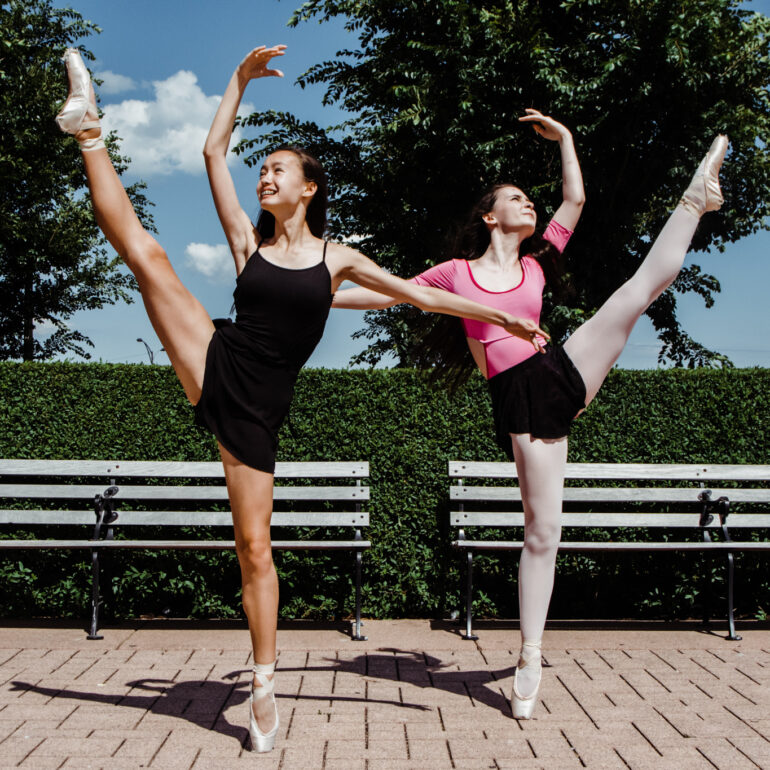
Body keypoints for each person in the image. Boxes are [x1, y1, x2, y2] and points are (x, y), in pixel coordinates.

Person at [55, 44, 555, 751]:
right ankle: (88, 130)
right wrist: (236, 80)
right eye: (261, 170)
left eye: (277, 169)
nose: (264, 176)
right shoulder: (245, 244)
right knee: (150, 257)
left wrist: (502, 316)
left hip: (260, 412)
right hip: (217, 357)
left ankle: (263, 679)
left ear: (309, 188)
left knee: (254, 548)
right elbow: (209, 151)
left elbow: (418, 294)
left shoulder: (336, 258)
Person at [333, 110, 728, 719]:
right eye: (516, 199)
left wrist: (566, 137)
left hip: (559, 372)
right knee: (543, 531)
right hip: (517, 395)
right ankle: (529, 653)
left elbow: (576, 197)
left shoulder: (540, 261)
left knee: (637, 290)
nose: (531, 206)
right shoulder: (455, 275)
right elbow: (387, 293)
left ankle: (694, 199)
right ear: (490, 216)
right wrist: (312, 290)